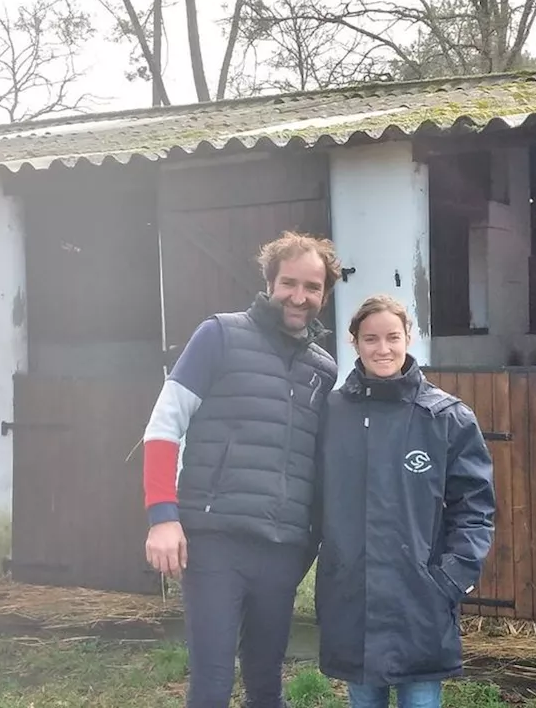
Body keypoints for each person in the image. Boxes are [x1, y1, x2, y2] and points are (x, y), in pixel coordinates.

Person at [141, 231, 341, 708]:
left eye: (312, 287)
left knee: (266, 684)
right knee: (211, 684)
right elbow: (163, 426)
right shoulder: (219, 335)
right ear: (269, 282)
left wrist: (310, 542)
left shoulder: (324, 368)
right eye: (288, 283)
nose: (299, 297)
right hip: (215, 540)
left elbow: (320, 464)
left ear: (324, 295)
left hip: (282, 549)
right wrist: (162, 516)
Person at [313, 294, 497, 708]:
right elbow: (313, 498)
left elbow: (475, 509)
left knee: (420, 699)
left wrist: (450, 579)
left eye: (393, 337)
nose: (383, 349)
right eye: (371, 339)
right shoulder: (333, 412)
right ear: (354, 342)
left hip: (421, 603)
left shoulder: (448, 417)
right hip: (352, 598)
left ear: (409, 337)